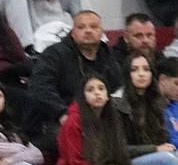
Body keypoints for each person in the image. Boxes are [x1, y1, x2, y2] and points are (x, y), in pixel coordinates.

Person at [26, 10, 120, 153]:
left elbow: (117, 87)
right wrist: (62, 113)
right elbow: (40, 88)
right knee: (86, 139)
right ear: (73, 32)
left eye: (93, 27)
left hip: (96, 118)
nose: (88, 31)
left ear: (101, 31)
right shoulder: (54, 54)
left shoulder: (106, 56)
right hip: (54, 120)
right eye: (81, 27)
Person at [114, 51, 178, 165]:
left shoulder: (158, 102)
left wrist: (159, 149)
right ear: (127, 74)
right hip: (126, 163)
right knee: (167, 160)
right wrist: (154, 149)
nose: (141, 74)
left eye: (146, 69)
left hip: (154, 156)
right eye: (135, 70)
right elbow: (118, 149)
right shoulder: (116, 104)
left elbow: (163, 139)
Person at [110, 10, 157, 83]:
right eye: (138, 36)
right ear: (126, 37)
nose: (145, 40)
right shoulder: (113, 62)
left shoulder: (160, 60)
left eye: (149, 35)